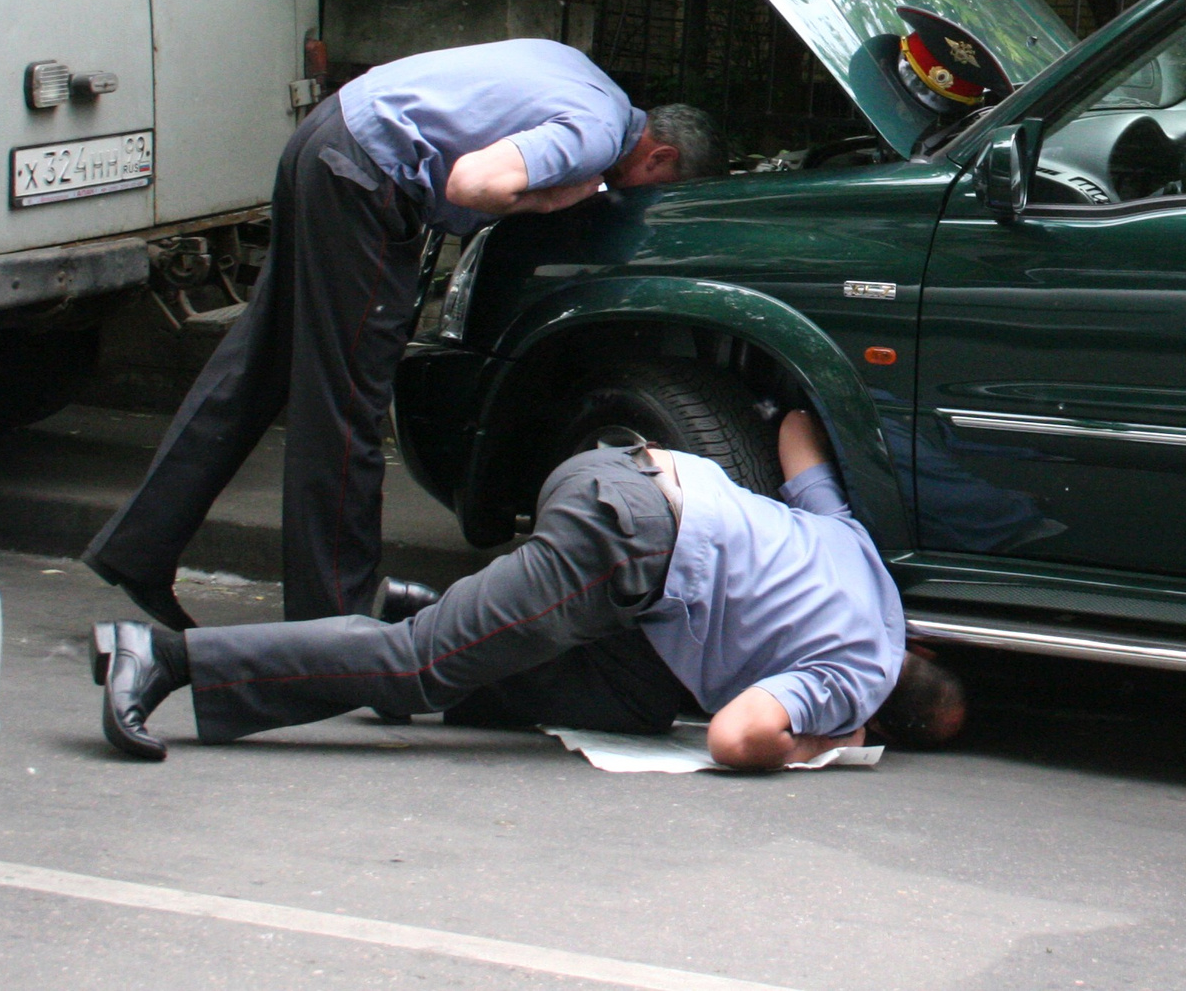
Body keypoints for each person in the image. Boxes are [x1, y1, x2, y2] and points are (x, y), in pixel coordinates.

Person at [83, 38, 718, 630]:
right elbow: (474, 182)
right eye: (657, 190)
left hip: (328, 135)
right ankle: (333, 616)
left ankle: (140, 548)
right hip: (363, 176)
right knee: (346, 405)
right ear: (660, 155)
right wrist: (551, 201)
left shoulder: (586, 77)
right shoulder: (597, 132)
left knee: (260, 364)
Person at [91, 408, 967, 766]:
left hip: (621, 474)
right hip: (622, 545)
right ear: (877, 721)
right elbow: (741, 736)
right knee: (414, 667)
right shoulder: (849, 684)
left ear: (918, 646)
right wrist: (819, 742)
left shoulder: (865, 564)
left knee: (631, 699)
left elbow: (797, 435)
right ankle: (169, 659)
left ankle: (428, 614)